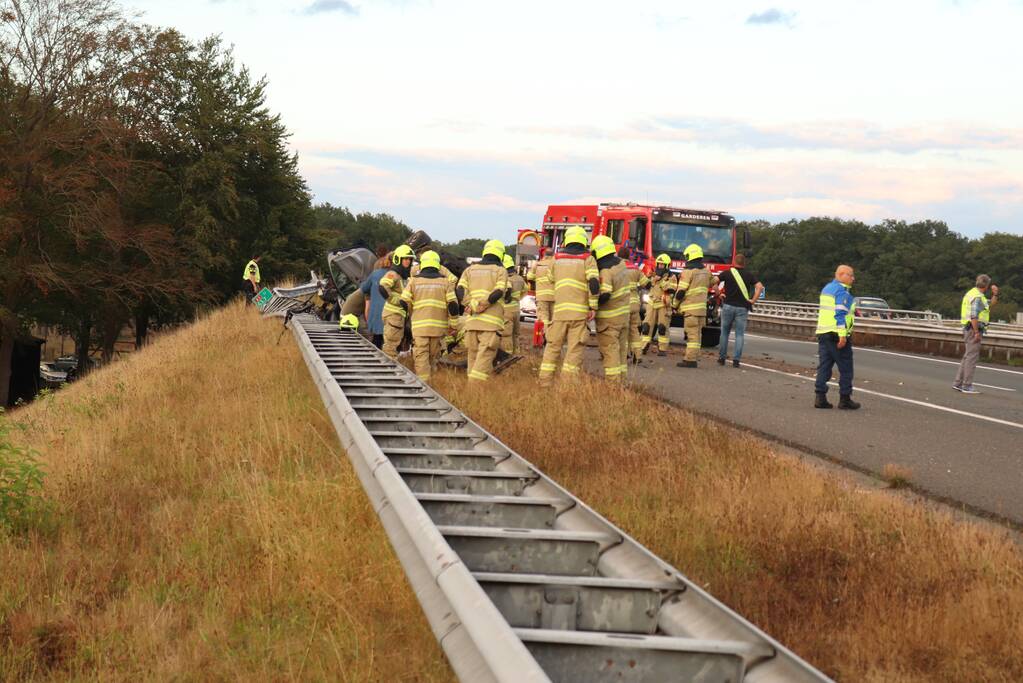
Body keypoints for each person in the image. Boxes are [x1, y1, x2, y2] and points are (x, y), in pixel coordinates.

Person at [538, 226, 599, 386]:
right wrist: (593, 306)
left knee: (552, 347)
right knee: (574, 349)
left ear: (567, 240)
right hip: (579, 314)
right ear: (583, 241)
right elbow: (594, 283)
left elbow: (550, 278)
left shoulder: (556, 258)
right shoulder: (588, 259)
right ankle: (567, 385)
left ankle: (545, 383)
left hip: (559, 313)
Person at [401, 250, 458, 382]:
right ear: (437, 265)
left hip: (419, 328)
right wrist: (453, 325)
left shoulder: (413, 282)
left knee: (421, 358)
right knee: (433, 357)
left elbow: (403, 301)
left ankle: (424, 386)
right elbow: (453, 305)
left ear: (422, 265)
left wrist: (411, 314)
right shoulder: (445, 283)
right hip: (438, 329)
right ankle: (433, 384)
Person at [456, 240, 509, 382]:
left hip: (472, 323)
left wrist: (471, 304)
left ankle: (473, 394)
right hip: (490, 327)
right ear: (500, 255)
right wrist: (482, 305)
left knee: (472, 362)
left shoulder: (469, 270)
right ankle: (474, 394)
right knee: (482, 366)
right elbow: (498, 292)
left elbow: (460, 289)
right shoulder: (500, 271)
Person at [814, 265, 860, 409]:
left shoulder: (827, 288)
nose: (853, 278)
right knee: (846, 367)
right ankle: (845, 399)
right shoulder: (842, 291)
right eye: (850, 275)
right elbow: (839, 314)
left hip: (823, 332)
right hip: (836, 334)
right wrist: (842, 336)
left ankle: (820, 397)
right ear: (841, 275)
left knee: (825, 366)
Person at [672, 244, 718, 369]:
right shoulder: (707, 272)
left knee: (692, 335)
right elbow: (715, 281)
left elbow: (681, 291)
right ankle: (695, 356)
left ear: (690, 256)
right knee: (698, 335)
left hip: (691, 310)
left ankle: (690, 360)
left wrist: (674, 305)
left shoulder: (687, 272)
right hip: (702, 311)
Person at [593, 236, 631, 380]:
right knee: (621, 352)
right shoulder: (621, 264)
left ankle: (613, 386)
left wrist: (592, 305)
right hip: (623, 316)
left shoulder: (606, 271)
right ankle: (622, 382)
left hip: (609, 320)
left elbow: (605, 294)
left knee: (610, 352)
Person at [954, 275, 999, 394]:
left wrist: (995, 294)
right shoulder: (978, 297)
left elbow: (989, 306)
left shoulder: (973, 293)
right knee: (972, 357)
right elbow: (974, 316)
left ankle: (958, 383)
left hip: (968, 328)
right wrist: (976, 332)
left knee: (967, 356)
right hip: (972, 329)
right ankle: (967, 385)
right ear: (987, 285)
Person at [716, 253, 763, 368]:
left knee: (725, 333)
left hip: (728, 306)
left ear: (734, 262)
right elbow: (760, 287)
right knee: (739, 335)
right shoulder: (749, 275)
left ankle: (722, 358)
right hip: (742, 308)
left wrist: (719, 294)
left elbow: (713, 281)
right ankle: (736, 360)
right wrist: (753, 300)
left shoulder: (727, 273)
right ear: (744, 263)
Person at [378, 245, 415, 357]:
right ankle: (388, 371)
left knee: (396, 346)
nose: (408, 261)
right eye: (405, 259)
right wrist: (398, 301)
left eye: (410, 259)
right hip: (393, 315)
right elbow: (383, 287)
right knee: (390, 348)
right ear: (398, 259)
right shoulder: (393, 274)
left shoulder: (404, 276)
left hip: (399, 316)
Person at [619, 246, 649, 363]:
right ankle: (638, 355)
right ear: (628, 256)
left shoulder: (617, 267)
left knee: (623, 330)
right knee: (634, 330)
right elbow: (646, 284)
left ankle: (625, 354)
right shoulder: (635, 268)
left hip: (622, 304)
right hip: (634, 304)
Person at [640, 254, 672, 356]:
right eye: (659, 264)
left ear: (667, 266)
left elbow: (671, 289)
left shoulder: (672, 277)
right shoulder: (652, 274)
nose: (660, 266)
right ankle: (643, 346)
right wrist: (651, 279)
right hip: (651, 303)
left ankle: (662, 349)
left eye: (663, 265)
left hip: (663, 304)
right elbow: (645, 284)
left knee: (662, 327)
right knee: (646, 326)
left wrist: (661, 281)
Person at [359, 258, 390, 348]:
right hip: (390, 316)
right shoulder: (395, 275)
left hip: (376, 316)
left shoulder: (375, 274)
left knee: (376, 343)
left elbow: (364, 288)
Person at [501, 254, 526, 353]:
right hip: (516, 309)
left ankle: (507, 355)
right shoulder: (520, 279)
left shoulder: (506, 279)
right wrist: (517, 298)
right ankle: (517, 354)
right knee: (515, 334)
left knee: (506, 334)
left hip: (507, 310)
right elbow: (525, 291)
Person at [526, 252, 555, 331]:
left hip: (542, 296)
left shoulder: (538, 265)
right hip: (554, 296)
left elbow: (529, 277)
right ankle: (552, 337)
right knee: (553, 319)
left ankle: (545, 335)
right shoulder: (556, 265)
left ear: (544, 256)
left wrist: (537, 277)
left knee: (543, 317)